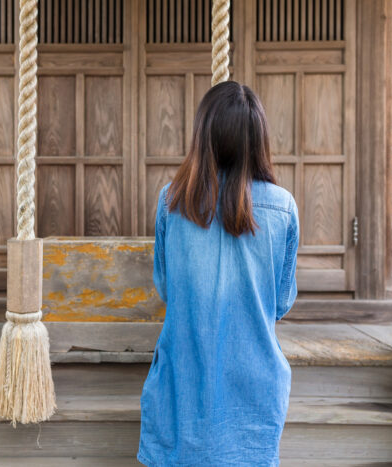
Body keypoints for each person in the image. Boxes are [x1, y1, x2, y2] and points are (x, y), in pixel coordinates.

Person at [137, 81, 299, 467]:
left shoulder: (171, 201)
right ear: (258, 139)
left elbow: (165, 286)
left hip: (183, 386)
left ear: (202, 134)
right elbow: (280, 302)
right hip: (256, 390)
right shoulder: (283, 207)